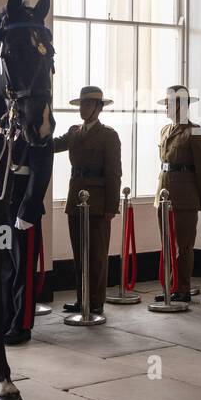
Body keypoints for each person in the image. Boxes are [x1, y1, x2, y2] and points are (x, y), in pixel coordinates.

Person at [52, 87, 121, 315]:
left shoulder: (108, 135)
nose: (83, 108)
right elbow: (52, 146)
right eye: (81, 104)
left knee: (97, 254)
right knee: (79, 253)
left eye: (88, 104)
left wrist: (112, 205)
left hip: (99, 201)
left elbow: (113, 172)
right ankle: (82, 298)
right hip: (76, 199)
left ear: (99, 108)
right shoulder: (74, 132)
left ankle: (96, 300)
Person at [155, 86, 201, 303]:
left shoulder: (195, 131)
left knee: (184, 245)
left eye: (170, 103)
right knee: (167, 244)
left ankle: (183, 288)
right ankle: (171, 286)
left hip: (185, 195)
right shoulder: (165, 131)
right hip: (164, 193)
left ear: (181, 106)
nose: (166, 108)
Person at [0, 133, 53, 345]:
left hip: (23, 211)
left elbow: (41, 173)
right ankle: (4, 321)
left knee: (24, 269)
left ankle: (21, 325)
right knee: (5, 268)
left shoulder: (40, 134)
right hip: (4, 209)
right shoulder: (6, 130)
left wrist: (28, 210)